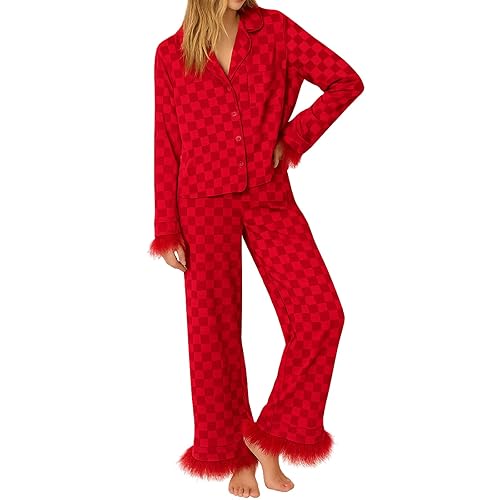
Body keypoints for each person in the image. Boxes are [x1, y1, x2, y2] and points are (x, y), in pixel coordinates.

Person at [148, 0, 364, 497]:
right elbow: (166, 140)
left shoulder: (276, 31)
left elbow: (345, 81)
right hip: (202, 204)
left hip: (268, 195)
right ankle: (235, 458)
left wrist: (294, 137)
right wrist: (167, 226)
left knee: (321, 315)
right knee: (214, 335)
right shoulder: (170, 54)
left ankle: (268, 436)